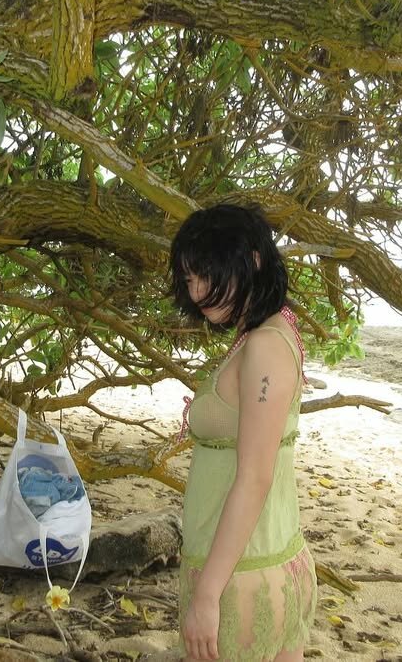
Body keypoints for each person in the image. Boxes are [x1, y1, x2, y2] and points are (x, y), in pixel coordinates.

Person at [169, 203, 318, 661]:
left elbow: (255, 478)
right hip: (262, 557)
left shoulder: (265, 347)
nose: (196, 290)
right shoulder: (271, 329)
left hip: (240, 575)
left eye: (206, 273)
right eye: (189, 278)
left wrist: (207, 595)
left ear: (252, 260)